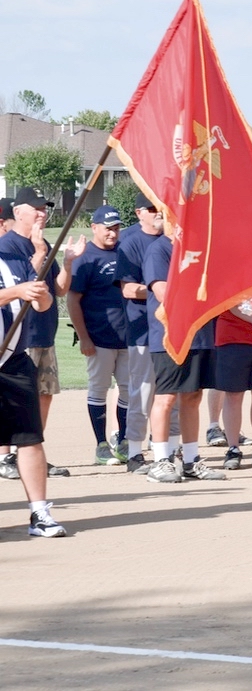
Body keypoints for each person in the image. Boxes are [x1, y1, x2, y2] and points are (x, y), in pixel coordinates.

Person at [0, 187, 84, 479]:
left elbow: (58, 289)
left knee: (44, 395)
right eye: (36, 208)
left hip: (45, 332)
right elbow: (23, 285)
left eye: (44, 208)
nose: (42, 213)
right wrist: (38, 252)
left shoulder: (45, 243)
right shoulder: (7, 245)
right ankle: (6, 456)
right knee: (15, 396)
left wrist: (70, 262)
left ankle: (31, 450)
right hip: (19, 338)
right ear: (17, 212)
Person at [142, 233, 227, 483]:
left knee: (193, 396)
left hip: (200, 333)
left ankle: (190, 460)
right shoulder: (160, 249)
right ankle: (160, 461)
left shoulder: (203, 247)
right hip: (170, 335)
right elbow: (162, 292)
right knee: (166, 398)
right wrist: (198, 288)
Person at [0, 247, 67, 536]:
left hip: (14, 362)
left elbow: (43, 303)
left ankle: (40, 513)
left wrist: (41, 295)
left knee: (30, 438)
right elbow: (18, 292)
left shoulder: (15, 260)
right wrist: (16, 291)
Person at [113, 192, 176, 473]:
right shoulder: (131, 243)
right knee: (142, 392)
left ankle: (169, 450)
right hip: (142, 330)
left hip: (173, 329)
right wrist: (157, 287)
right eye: (152, 208)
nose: (158, 212)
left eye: (161, 206)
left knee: (174, 393)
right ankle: (135, 452)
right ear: (139, 212)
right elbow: (127, 288)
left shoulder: (174, 243)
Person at [65, 205, 129, 466]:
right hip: (99, 337)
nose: (112, 233)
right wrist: (84, 337)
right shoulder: (86, 257)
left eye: (116, 228)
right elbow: (72, 299)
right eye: (107, 228)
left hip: (127, 338)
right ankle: (101, 445)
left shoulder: (124, 253)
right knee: (99, 391)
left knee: (129, 391)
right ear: (94, 228)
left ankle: (122, 440)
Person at [213, 293, 252, 470]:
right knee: (234, 394)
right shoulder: (232, 267)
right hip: (233, 337)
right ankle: (233, 448)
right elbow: (228, 300)